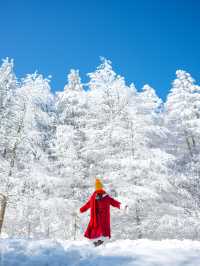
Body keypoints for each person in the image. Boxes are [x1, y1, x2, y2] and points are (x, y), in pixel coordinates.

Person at [80, 178, 126, 246]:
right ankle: (95, 243)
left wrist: (121, 206)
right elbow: (88, 204)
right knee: (95, 231)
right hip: (95, 218)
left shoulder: (106, 197)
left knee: (102, 231)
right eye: (98, 191)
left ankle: (100, 242)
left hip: (103, 218)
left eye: (100, 191)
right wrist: (81, 210)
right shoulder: (93, 198)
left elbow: (114, 202)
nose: (99, 194)